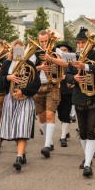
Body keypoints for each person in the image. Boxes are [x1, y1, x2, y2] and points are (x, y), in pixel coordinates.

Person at [66, 28, 95, 177]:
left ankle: (87, 164)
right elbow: (68, 74)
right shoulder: (73, 56)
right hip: (80, 95)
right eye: (78, 42)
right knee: (82, 131)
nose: (80, 45)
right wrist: (74, 79)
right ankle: (87, 158)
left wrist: (85, 66)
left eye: (82, 42)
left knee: (91, 130)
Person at [0, 40, 41, 170]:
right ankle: (22, 152)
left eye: (21, 49)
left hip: (25, 99)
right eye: (15, 49)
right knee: (15, 128)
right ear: (12, 50)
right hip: (10, 99)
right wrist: (8, 78)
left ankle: (18, 156)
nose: (18, 52)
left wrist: (23, 91)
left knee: (22, 127)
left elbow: (36, 83)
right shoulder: (6, 64)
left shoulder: (29, 64)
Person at [33, 30, 65, 158]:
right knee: (41, 116)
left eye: (46, 41)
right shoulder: (34, 53)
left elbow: (66, 64)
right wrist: (40, 67)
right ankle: (49, 141)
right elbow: (27, 69)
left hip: (53, 85)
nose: (44, 44)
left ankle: (46, 145)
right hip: (38, 86)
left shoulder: (57, 51)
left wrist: (52, 59)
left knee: (50, 114)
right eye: (42, 41)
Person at [56, 42, 74, 147]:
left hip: (67, 90)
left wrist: (71, 81)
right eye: (61, 49)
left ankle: (63, 137)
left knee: (65, 114)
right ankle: (66, 131)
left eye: (65, 50)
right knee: (60, 114)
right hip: (57, 90)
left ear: (69, 52)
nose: (62, 51)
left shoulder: (71, 61)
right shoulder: (55, 60)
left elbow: (76, 73)